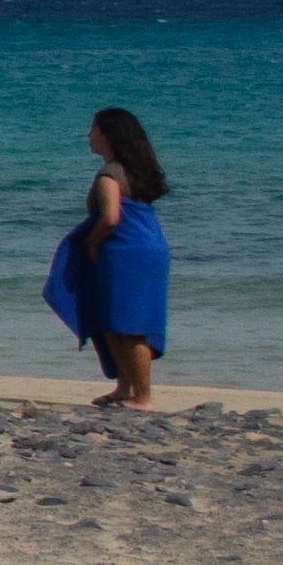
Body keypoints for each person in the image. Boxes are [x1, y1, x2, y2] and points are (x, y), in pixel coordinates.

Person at [47, 107, 173, 409]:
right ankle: (124, 388)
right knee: (116, 320)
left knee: (129, 325)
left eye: (94, 129)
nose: (90, 136)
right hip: (148, 247)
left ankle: (142, 397)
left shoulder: (110, 174)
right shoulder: (138, 171)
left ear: (109, 136)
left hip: (124, 251)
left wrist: (91, 243)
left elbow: (110, 217)